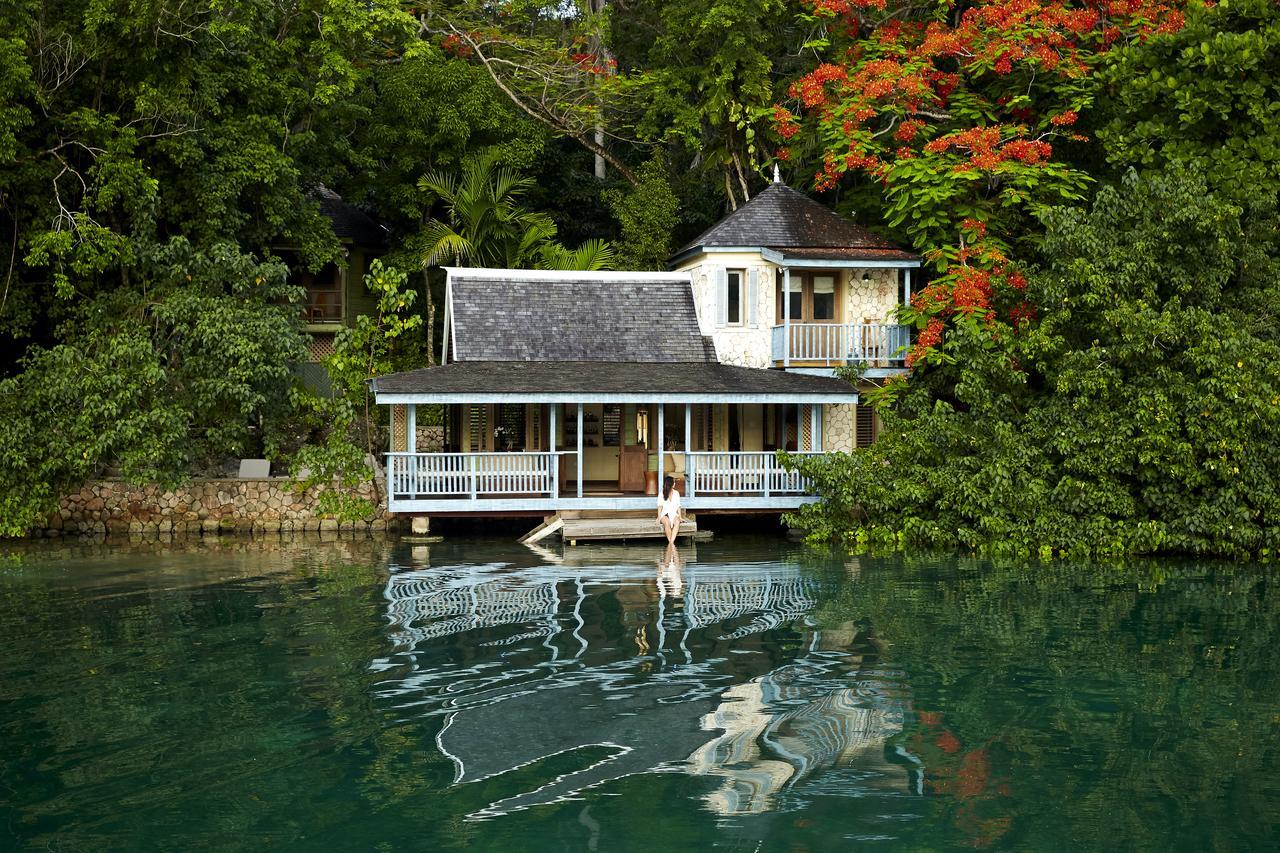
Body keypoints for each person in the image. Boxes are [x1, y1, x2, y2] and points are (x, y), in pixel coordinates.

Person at [656, 474, 682, 546]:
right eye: (673, 482)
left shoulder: (676, 493)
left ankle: (671, 543)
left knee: (677, 522)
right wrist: (659, 518)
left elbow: (678, 506)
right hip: (664, 514)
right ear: (670, 484)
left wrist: (680, 516)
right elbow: (659, 507)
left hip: (673, 513)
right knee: (667, 522)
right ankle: (671, 544)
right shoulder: (662, 493)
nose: (674, 484)